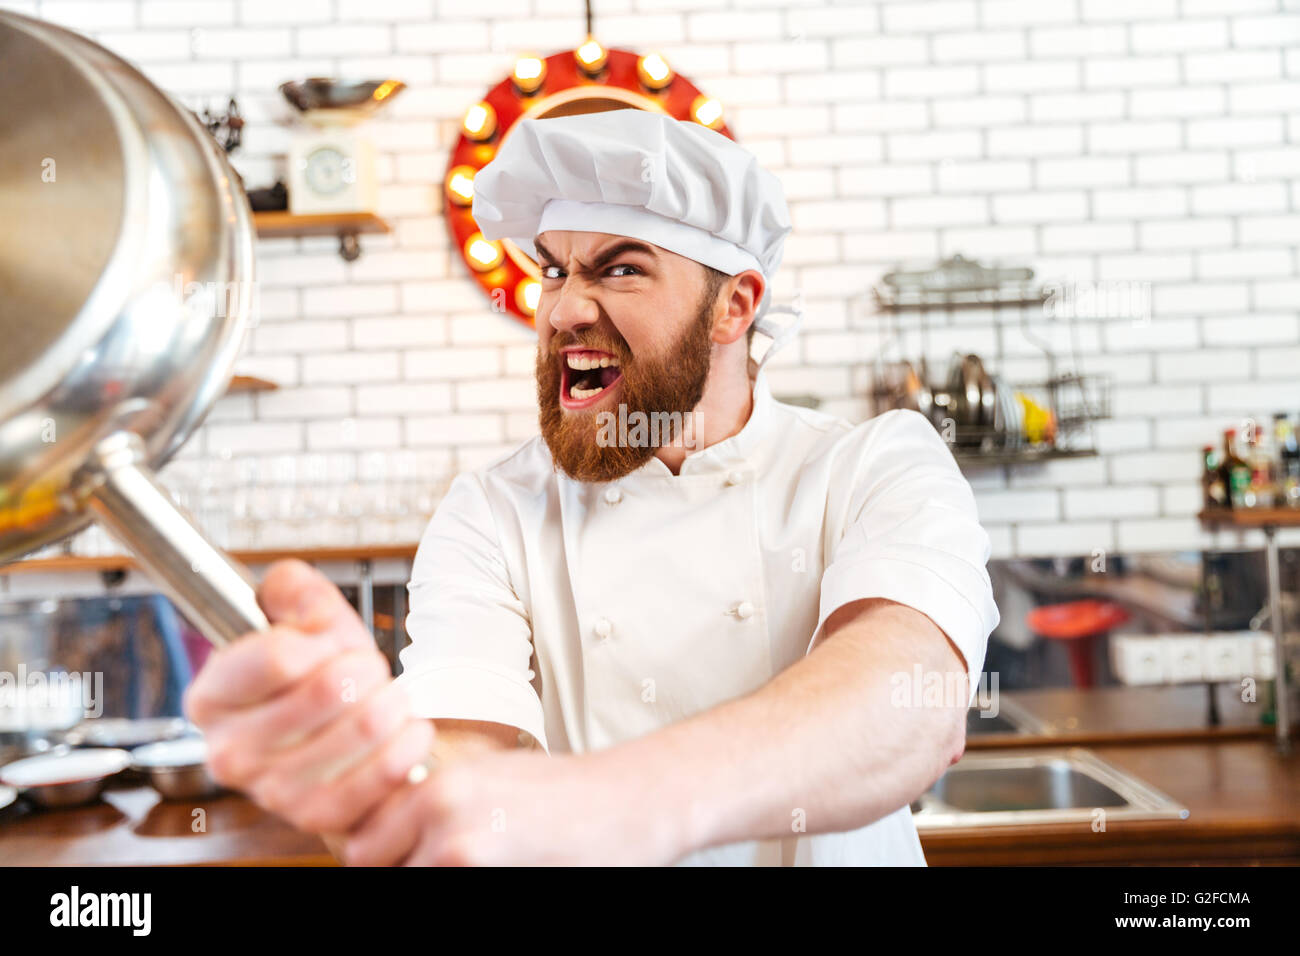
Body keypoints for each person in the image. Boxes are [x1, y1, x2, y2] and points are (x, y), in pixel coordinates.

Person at [185, 108, 1000, 866]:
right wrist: (384, 768)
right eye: (552, 271)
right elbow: (466, 754)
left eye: (620, 270)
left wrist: (597, 806)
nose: (565, 308)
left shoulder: (875, 466)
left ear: (735, 306)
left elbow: (904, 698)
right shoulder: (494, 513)